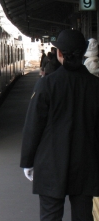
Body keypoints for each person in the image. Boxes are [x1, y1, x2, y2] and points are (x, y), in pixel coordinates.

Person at [20, 29, 99, 221]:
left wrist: (28, 162)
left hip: (50, 164)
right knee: (83, 215)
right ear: (83, 53)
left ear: (60, 54)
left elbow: (33, 127)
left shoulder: (46, 84)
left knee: (50, 216)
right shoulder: (95, 85)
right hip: (86, 163)